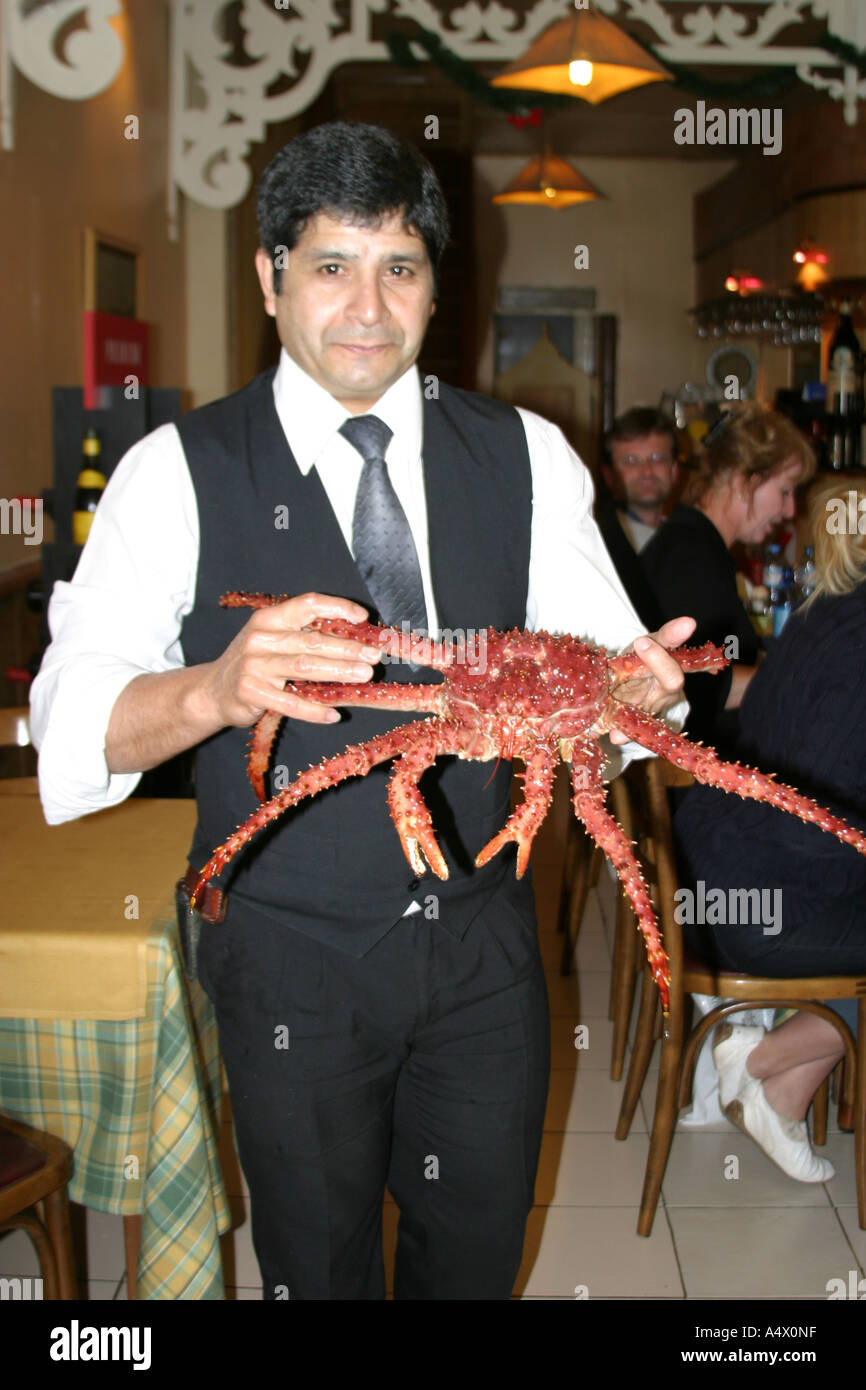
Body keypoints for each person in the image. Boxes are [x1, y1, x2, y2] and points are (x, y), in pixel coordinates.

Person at [30, 121, 691, 1301]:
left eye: (400, 267)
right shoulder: (175, 472)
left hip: (485, 939)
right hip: (289, 950)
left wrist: (632, 694)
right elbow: (72, 727)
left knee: (475, 1256)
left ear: (437, 287)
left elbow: (606, 672)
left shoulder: (527, 455)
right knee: (317, 1265)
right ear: (269, 276)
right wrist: (211, 689)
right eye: (331, 264)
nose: (366, 307)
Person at [674, 473, 866, 1184]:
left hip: (714, 874)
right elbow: (810, 824)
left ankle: (776, 1092)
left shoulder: (822, 612)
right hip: (761, 894)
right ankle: (755, 1058)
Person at [641, 401, 814, 755]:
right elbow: (702, 685)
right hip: (701, 784)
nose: (790, 510)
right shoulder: (691, 556)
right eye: (784, 491)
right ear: (744, 480)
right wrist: (804, 679)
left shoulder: (694, 542)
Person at [595, 408, 677, 631]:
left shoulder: (692, 538)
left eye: (657, 458)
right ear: (609, 475)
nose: (647, 471)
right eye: (631, 461)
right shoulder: (596, 543)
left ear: (674, 469)